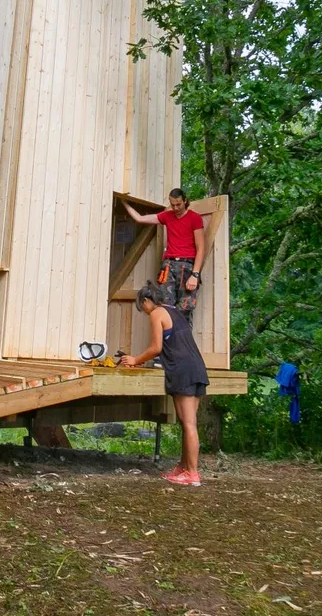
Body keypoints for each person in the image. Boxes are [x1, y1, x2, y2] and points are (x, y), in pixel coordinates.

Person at [117, 281, 208, 486]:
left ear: (148, 301)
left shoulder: (157, 313)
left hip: (182, 371)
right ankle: (183, 468)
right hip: (197, 367)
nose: (144, 311)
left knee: (188, 424)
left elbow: (156, 347)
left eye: (143, 306)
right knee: (188, 424)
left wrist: (135, 360)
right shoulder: (175, 311)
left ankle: (192, 474)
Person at [121, 189, 205, 322]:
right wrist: (123, 201)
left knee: (185, 309)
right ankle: (166, 341)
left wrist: (195, 275)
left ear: (185, 201)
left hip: (187, 267)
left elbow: (201, 248)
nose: (176, 208)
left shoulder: (194, 218)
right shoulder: (167, 216)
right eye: (173, 205)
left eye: (179, 204)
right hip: (168, 266)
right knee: (165, 307)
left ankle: (183, 342)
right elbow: (139, 218)